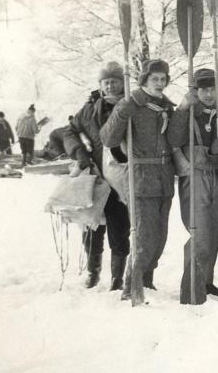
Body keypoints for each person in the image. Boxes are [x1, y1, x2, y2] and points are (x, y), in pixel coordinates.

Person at [100, 59, 176, 299]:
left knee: (160, 237)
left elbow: (174, 140)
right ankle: (131, 286)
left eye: (163, 79)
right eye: (155, 79)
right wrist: (124, 109)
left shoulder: (166, 107)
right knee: (144, 236)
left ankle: (147, 281)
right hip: (141, 179)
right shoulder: (130, 104)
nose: (160, 83)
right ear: (144, 80)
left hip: (164, 179)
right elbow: (108, 139)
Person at [64, 62, 130, 290]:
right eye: (106, 82)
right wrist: (80, 154)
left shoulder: (130, 105)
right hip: (95, 177)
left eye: (115, 81)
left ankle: (117, 278)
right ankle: (93, 272)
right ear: (100, 85)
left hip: (120, 179)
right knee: (91, 227)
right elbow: (69, 131)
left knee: (119, 230)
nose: (110, 86)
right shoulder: (91, 108)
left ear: (123, 83)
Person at [170, 68, 218, 297]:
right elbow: (174, 139)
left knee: (215, 231)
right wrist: (183, 108)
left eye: (212, 88)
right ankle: (192, 280)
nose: (208, 93)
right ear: (196, 91)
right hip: (194, 176)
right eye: (203, 89)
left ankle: (206, 280)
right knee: (200, 231)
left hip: (216, 175)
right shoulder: (187, 113)